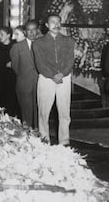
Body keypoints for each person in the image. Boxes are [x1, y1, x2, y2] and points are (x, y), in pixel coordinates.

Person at [33, 14, 75, 145]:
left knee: (64, 111)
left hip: (64, 78)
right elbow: (40, 63)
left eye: (58, 22)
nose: (56, 25)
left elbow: (70, 61)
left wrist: (62, 74)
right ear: (46, 25)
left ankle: (64, 140)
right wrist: (52, 75)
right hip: (46, 78)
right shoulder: (38, 43)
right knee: (43, 111)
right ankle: (44, 138)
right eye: (52, 22)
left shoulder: (69, 41)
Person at [10, 22, 39, 128]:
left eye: (34, 29)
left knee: (39, 112)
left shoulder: (41, 44)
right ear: (25, 32)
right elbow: (15, 67)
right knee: (26, 113)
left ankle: (39, 137)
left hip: (40, 84)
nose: (31, 32)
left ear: (37, 30)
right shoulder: (17, 47)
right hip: (24, 84)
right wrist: (25, 76)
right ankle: (27, 136)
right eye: (28, 30)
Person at [0, 27, 19, 116]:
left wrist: (13, 64)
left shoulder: (14, 47)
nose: (0, 37)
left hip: (11, 82)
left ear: (9, 35)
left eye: (2, 35)